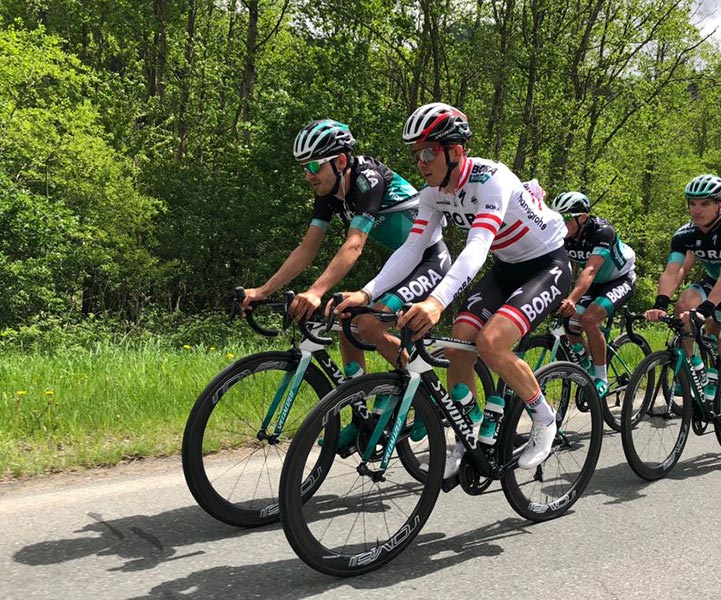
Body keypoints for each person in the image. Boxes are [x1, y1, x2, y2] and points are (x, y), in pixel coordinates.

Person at [334, 102, 572, 477]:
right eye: (416, 155)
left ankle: (543, 417)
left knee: (491, 343)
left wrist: (436, 302)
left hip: (547, 265)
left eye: (428, 152)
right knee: (457, 345)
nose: (421, 163)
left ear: (456, 151)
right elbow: (411, 249)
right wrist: (366, 293)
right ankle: (467, 435)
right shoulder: (432, 194)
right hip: (508, 267)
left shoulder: (492, 179)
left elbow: (476, 246)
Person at [241, 119, 451, 443]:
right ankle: (362, 412)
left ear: (340, 161)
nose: (308, 175)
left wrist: (315, 291)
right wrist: (264, 290)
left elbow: (354, 245)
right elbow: (307, 248)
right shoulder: (328, 192)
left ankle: (428, 399)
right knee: (344, 318)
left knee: (367, 326)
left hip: (429, 261)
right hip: (401, 263)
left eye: (313, 165)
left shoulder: (367, 179)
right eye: (304, 168)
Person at [644, 174, 721, 445]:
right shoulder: (684, 234)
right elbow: (672, 271)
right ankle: (695, 366)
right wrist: (660, 303)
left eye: (704, 204)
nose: (696, 210)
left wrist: (706, 309)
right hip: (712, 282)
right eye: (692, 203)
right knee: (683, 303)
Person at [550, 191, 637, 395]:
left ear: (582, 217)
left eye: (564, 218)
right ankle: (585, 362)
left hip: (620, 279)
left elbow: (590, 270)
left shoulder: (602, 232)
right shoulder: (562, 236)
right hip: (595, 283)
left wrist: (572, 298)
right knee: (570, 322)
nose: (559, 224)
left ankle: (601, 378)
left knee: (589, 320)